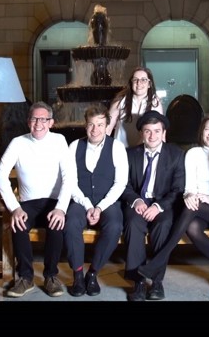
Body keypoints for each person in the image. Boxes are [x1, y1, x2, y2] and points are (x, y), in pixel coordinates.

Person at [137, 114, 209, 296]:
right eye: (207, 129)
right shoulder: (193, 154)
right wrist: (189, 195)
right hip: (199, 209)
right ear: (201, 131)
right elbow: (189, 187)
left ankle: (159, 259)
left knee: (191, 209)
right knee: (192, 226)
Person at [0, 101, 73, 298]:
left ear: (51, 122)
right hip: (28, 203)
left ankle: (51, 276)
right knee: (18, 224)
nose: (39, 124)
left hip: (53, 202)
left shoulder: (59, 141)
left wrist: (61, 208)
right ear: (28, 121)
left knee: (57, 225)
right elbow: (0, 175)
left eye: (43, 119)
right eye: (34, 119)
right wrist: (14, 207)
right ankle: (25, 277)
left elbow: (70, 177)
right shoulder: (18, 143)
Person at [64, 104, 129, 297]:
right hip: (80, 200)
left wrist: (99, 207)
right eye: (91, 124)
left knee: (115, 226)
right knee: (71, 223)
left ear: (107, 126)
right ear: (85, 126)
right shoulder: (74, 146)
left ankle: (92, 273)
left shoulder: (117, 147)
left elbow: (120, 183)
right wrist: (87, 205)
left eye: (100, 125)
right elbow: (70, 182)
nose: (95, 130)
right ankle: (77, 275)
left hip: (107, 201)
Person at [122, 110, 185, 301]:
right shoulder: (130, 154)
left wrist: (158, 206)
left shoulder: (175, 154)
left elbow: (178, 189)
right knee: (133, 224)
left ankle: (157, 281)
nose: (152, 136)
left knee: (163, 224)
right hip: (138, 203)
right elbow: (123, 184)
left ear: (164, 133)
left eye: (157, 131)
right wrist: (136, 200)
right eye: (148, 131)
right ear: (141, 133)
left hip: (162, 205)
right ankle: (138, 281)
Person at [106, 66, 163, 148]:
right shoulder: (120, 101)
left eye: (143, 80)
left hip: (143, 151)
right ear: (131, 83)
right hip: (121, 149)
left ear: (149, 84)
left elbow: (160, 131)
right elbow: (107, 128)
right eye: (135, 80)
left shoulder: (155, 103)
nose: (139, 83)